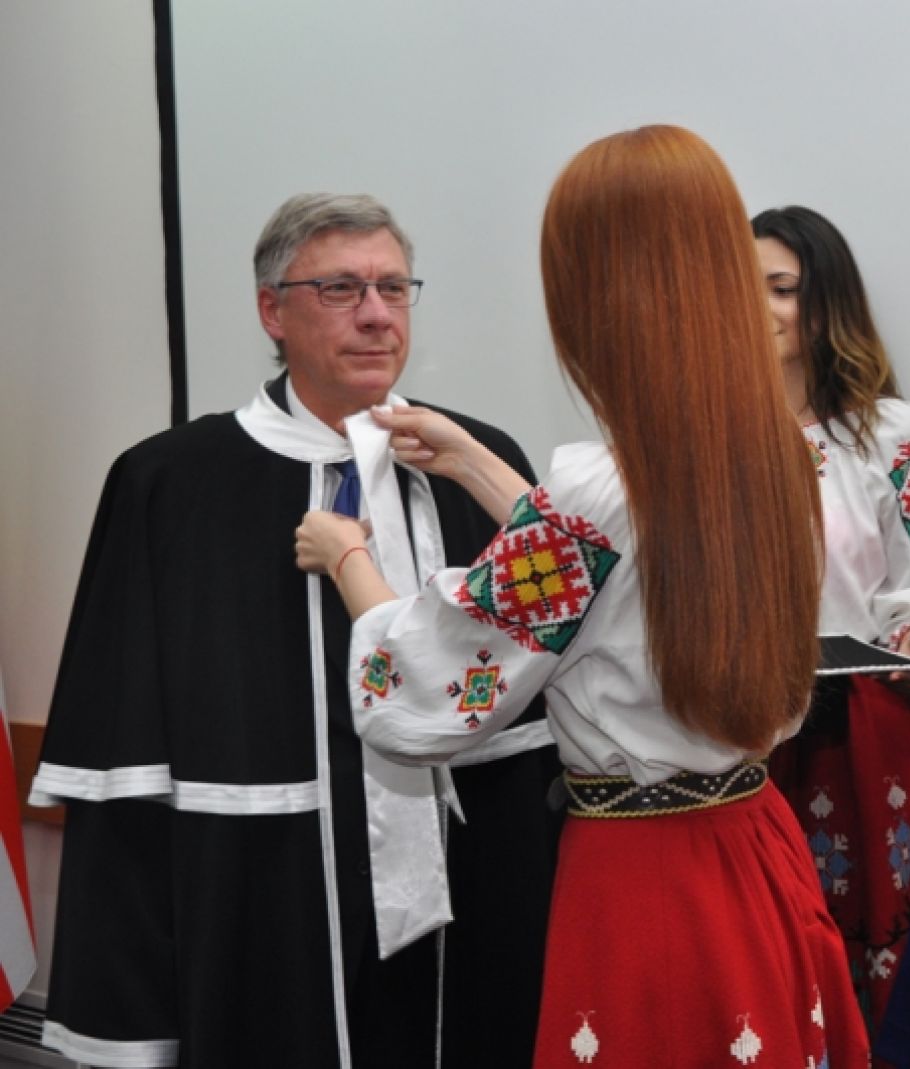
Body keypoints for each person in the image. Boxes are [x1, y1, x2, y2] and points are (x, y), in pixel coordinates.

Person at [295, 127, 871, 1067]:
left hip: (646, 889)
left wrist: (349, 557)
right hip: (755, 849)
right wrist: (476, 464)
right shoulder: (779, 460)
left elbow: (429, 688)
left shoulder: (596, 494)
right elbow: (624, 572)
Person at [30, 194, 562, 1069]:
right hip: (264, 896)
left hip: (469, 887)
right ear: (271, 311)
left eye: (394, 287)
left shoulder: (472, 459)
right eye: (341, 289)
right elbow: (122, 760)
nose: (377, 314)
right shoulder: (169, 484)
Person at [752, 205, 910, 1029]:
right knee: (764, 966)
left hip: (859, 733)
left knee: (880, 974)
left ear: (826, 301)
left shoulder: (894, 432)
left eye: (781, 287)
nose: (758, 306)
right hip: (735, 736)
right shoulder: (699, 438)